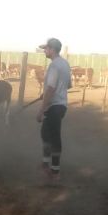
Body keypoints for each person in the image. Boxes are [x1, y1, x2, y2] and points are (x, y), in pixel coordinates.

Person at [36, 37, 72, 184]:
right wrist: (47, 93)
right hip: (60, 105)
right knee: (45, 133)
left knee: (54, 138)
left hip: (54, 106)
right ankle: (45, 165)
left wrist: (41, 109)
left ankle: (55, 172)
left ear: (52, 50)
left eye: (46, 48)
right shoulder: (65, 64)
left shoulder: (54, 66)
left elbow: (51, 88)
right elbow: (68, 85)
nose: (44, 51)